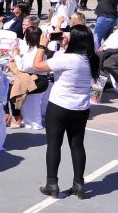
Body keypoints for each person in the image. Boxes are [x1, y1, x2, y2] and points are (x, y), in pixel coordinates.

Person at [33, 25, 98, 199]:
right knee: (77, 145)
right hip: (81, 108)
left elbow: (37, 65)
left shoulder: (66, 58)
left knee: (54, 145)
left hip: (59, 106)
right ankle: (79, 184)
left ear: (74, 40)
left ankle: (52, 183)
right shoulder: (92, 59)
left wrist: (42, 45)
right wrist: (65, 46)